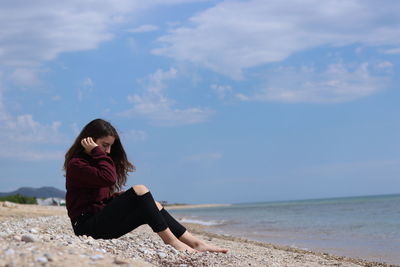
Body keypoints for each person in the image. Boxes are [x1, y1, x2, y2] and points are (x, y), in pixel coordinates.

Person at [64, 118, 228, 253]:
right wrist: (97, 152)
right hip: (87, 228)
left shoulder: (95, 162)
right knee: (140, 189)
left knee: (152, 205)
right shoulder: (77, 164)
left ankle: (195, 243)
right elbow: (109, 178)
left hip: (97, 223)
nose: (107, 151)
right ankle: (173, 243)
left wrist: (119, 198)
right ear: (89, 141)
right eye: (104, 145)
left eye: (110, 146)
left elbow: (99, 198)